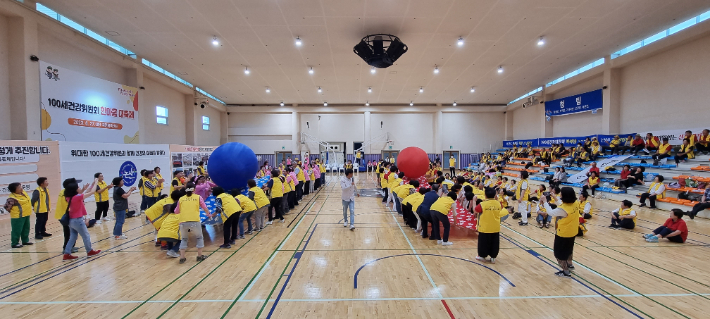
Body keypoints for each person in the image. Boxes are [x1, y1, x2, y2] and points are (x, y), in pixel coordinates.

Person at [540, 187, 579, 277]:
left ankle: (565, 271)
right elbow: (563, 205)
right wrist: (555, 198)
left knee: (558, 254)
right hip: (572, 231)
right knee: (569, 249)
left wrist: (545, 201)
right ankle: (570, 264)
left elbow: (551, 212)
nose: (560, 195)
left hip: (563, 233)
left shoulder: (563, 210)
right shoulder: (575, 203)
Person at [62, 181, 102, 260]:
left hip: (71, 220)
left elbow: (83, 193)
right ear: (74, 189)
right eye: (78, 187)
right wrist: (96, 183)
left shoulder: (69, 197)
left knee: (72, 237)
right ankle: (89, 251)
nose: (79, 188)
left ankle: (67, 253)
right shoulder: (77, 197)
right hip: (78, 220)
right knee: (86, 235)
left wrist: (86, 187)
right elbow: (92, 192)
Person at [174, 182, 211, 264]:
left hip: (183, 221)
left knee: (184, 239)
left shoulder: (181, 199)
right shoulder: (198, 197)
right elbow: (204, 207)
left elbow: (176, 211)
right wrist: (208, 214)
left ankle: (182, 257)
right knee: (199, 238)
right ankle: (199, 255)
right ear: (194, 189)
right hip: (195, 220)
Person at [474, 188, 509, 263]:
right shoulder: (499, 204)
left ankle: (482, 256)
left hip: (484, 227)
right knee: (494, 243)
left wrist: (474, 201)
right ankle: (493, 257)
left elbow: (475, 210)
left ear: (485, 195)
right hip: (495, 227)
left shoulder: (482, 204)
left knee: (483, 243)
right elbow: (501, 208)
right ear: (495, 195)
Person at [6, 183, 33, 248]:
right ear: (14, 190)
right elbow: (7, 207)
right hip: (17, 217)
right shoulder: (12, 198)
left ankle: (25, 240)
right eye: (19, 187)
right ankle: (15, 243)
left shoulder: (23, 193)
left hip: (26, 214)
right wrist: (15, 212)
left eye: (21, 186)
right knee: (17, 230)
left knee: (26, 228)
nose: (21, 188)